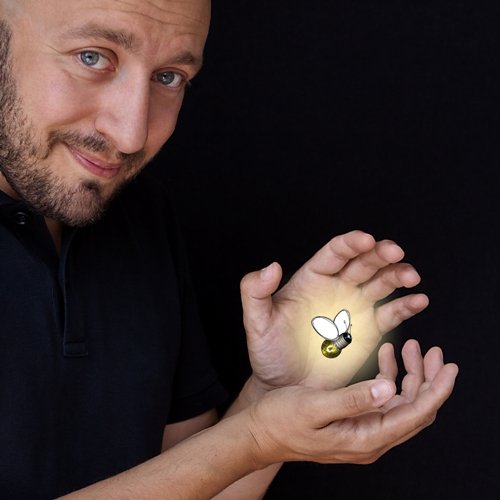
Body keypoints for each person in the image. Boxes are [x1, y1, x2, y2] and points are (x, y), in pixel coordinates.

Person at [0, 0, 458, 498]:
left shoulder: (139, 214)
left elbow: (203, 487)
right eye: (92, 57)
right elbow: (231, 453)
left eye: (169, 77)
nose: (131, 134)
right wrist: (252, 438)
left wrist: (275, 399)